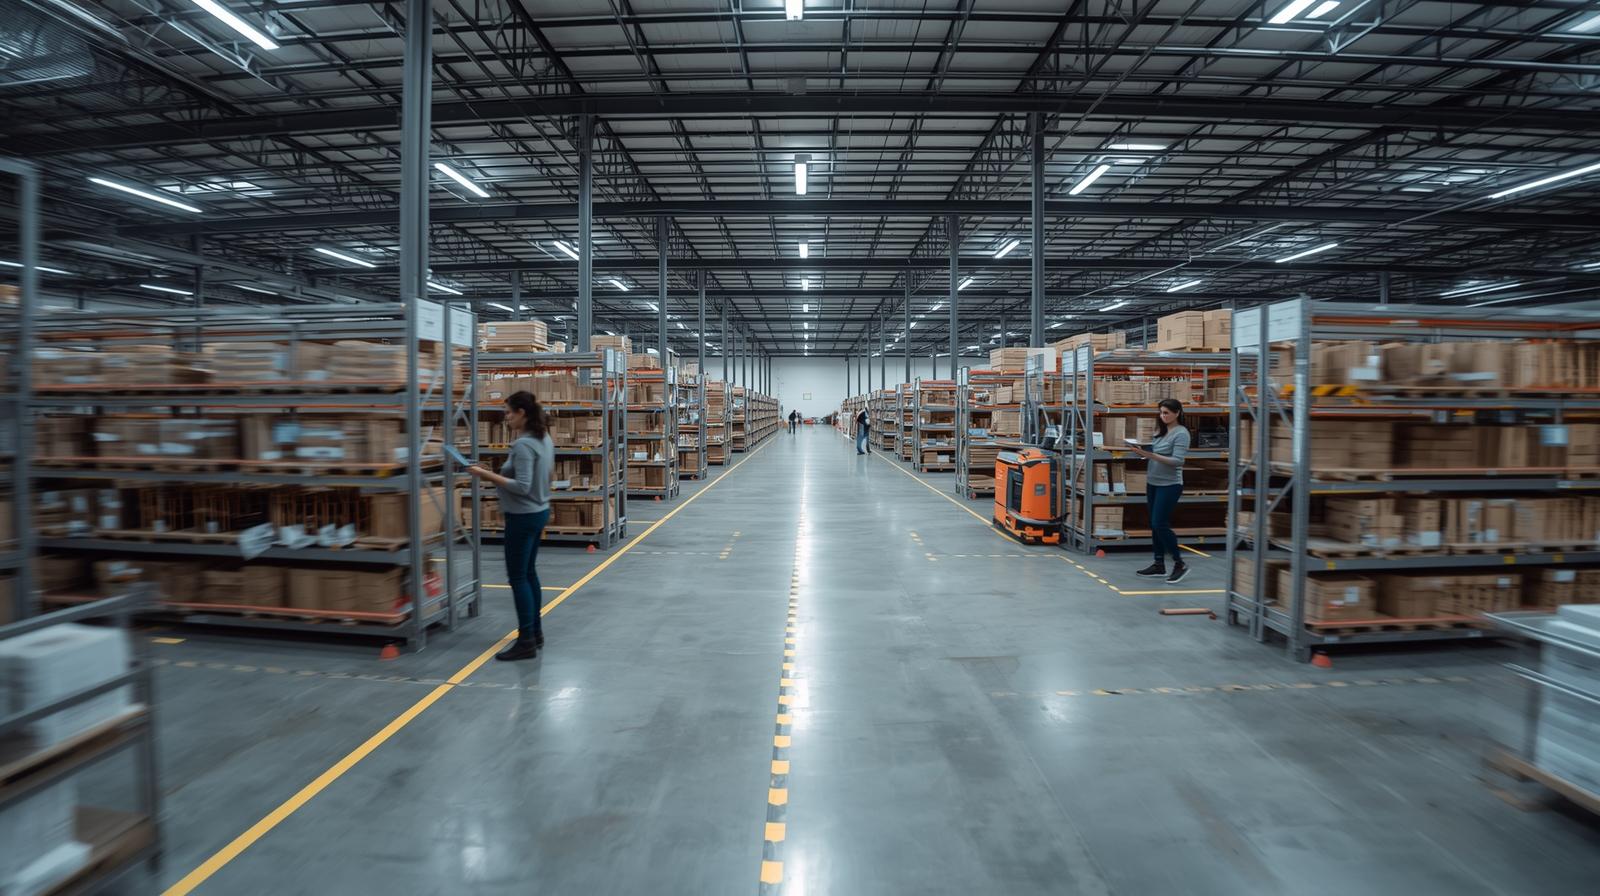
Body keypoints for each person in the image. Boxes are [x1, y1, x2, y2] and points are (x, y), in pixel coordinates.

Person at [467, 391, 554, 661]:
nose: (505, 418)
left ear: (522, 413)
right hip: (538, 511)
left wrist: (485, 475)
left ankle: (526, 639)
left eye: (508, 413)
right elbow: (544, 477)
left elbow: (522, 487)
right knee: (528, 573)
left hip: (523, 516)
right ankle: (535, 633)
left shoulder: (523, 445)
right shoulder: (545, 439)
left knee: (518, 578)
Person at [1125, 398, 1191, 584]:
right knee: (1154, 525)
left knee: (1159, 523)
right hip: (1153, 482)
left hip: (1170, 485)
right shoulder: (1160, 431)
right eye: (1161, 413)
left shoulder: (1181, 433)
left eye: (1167, 413)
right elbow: (1155, 452)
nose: (1163, 416)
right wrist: (1142, 451)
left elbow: (1178, 461)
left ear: (1177, 413)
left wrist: (1151, 455)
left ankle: (1179, 563)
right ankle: (1159, 564)